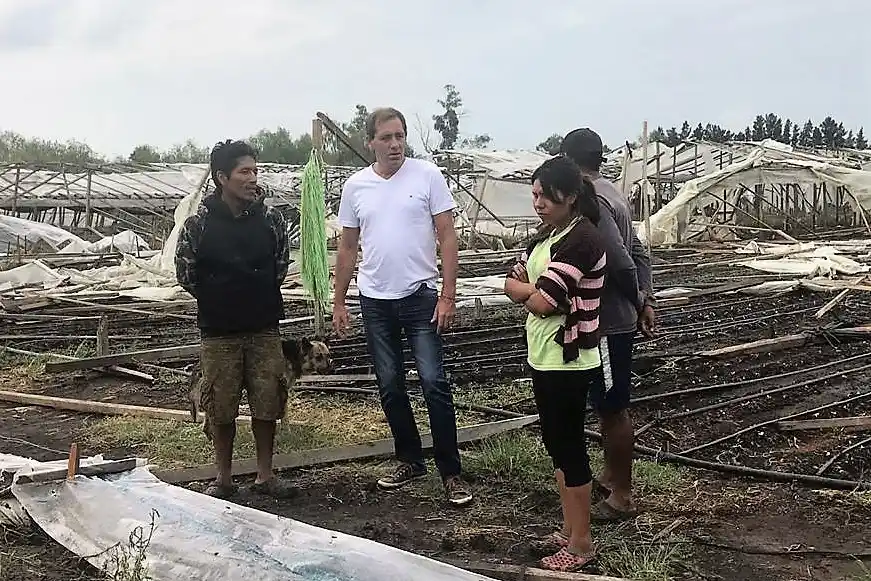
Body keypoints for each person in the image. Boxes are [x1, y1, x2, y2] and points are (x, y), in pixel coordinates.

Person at [332, 107, 473, 507]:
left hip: (420, 295)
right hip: (375, 298)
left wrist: (448, 293)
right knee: (390, 384)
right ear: (371, 142)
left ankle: (451, 471)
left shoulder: (427, 175)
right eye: (387, 138)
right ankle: (410, 459)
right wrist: (340, 300)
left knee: (433, 381)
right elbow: (347, 246)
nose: (395, 145)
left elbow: (446, 235)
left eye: (400, 136)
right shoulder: (356, 186)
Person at [175, 139, 296, 500]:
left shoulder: (271, 220)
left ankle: (264, 476)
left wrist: (254, 294)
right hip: (219, 331)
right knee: (221, 405)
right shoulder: (199, 224)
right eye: (244, 171)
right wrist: (218, 297)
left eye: (255, 171)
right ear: (221, 177)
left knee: (267, 400)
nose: (252, 178)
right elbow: (185, 272)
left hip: (263, 326)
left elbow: (280, 265)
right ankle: (224, 479)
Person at [504, 155, 606, 572]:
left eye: (546, 195)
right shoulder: (548, 235)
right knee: (556, 446)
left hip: (570, 360)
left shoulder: (583, 239)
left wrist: (531, 293)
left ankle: (581, 543)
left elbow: (544, 302)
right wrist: (531, 291)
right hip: (543, 355)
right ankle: (567, 528)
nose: (539, 202)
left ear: (570, 196)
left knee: (570, 447)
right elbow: (513, 284)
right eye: (535, 194)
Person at [560, 128, 656, 521]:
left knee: (613, 406)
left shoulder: (593, 199)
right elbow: (639, 249)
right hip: (616, 317)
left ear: (570, 162)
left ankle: (623, 496)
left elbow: (620, 259)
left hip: (608, 322)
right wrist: (646, 298)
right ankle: (612, 475)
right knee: (605, 403)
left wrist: (637, 299)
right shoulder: (613, 190)